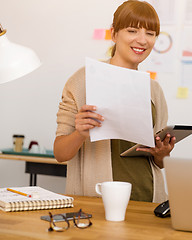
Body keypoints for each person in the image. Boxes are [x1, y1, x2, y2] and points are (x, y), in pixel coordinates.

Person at [54, 0, 175, 203]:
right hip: (100, 201)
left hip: (149, 199)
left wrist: (162, 153)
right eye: (132, 30)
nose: (142, 40)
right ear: (114, 33)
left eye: (150, 34)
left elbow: (159, 163)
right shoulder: (81, 81)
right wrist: (80, 133)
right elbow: (60, 153)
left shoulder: (154, 90)